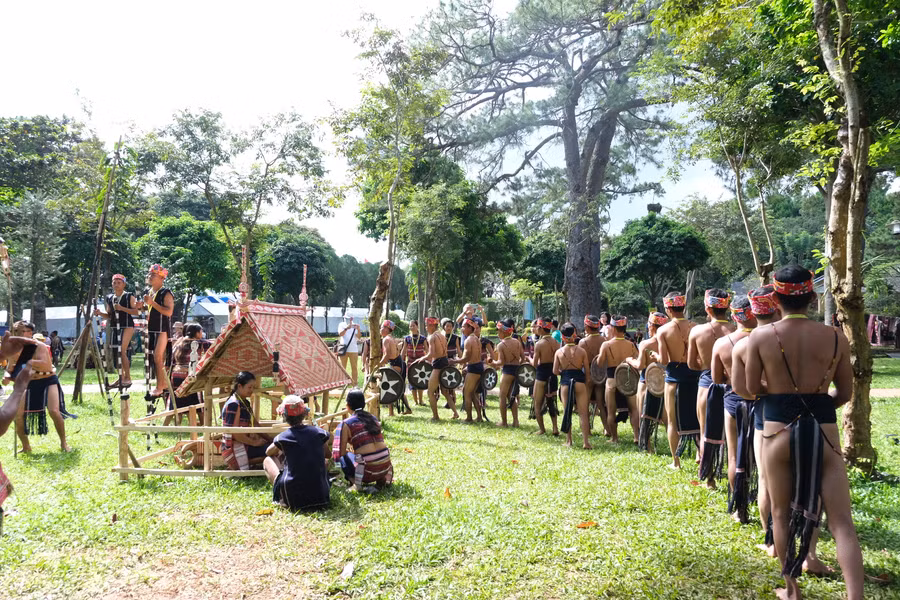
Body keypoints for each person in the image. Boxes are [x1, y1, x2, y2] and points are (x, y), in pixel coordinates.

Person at [744, 265, 863, 600]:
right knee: (842, 522)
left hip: (776, 430)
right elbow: (844, 393)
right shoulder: (836, 337)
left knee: (780, 514)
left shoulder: (760, 337)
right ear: (812, 297)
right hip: (823, 430)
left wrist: (782, 396)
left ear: (775, 299)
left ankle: (792, 590)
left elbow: (752, 388)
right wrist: (816, 405)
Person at [6, 321, 75, 453]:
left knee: (54, 411)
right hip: (27, 383)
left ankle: (64, 443)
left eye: (25, 332)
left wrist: (28, 361)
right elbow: (10, 368)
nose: (22, 335)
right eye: (18, 332)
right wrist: (7, 376)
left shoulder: (40, 346)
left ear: (30, 333)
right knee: (17, 415)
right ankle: (26, 446)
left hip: (47, 380)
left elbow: (46, 365)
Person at [688, 289, 734, 483]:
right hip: (733, 384)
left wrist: (707, 364)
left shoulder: (697, 331)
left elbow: (691, 364)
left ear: (708, 308)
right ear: (727, 307)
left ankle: (709, 480)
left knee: (705, 431)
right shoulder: (736, 330)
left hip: (707, 383)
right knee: (733, 436)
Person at [264, 396, 332, 511]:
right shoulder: (319, 433)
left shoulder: (283, 437)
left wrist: (284, 450)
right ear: (305, 414)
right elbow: (328, 455)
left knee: (268, 460)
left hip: (293, 500)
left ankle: (279, 495)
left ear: (283, 416)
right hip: (321, 499)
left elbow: (268, 452)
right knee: (324, 462)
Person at [657, 292, 699, 468]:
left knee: (672, 422)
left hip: (674, 379)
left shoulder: (663, 330)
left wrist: (654, 356)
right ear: (683, 306)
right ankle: (700, 454)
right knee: (699, 419)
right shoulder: (696, 327)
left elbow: (663, 360)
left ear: (668, 309)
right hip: (696, 377)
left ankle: (676, 462)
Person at [627, 312, 668, 453]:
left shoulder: (645, 343)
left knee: (643, 415)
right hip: (664, 381)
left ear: (652, 326)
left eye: (649, 324)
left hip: (646, 381)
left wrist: (630, 360)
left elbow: (640, 365)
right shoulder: (669, 343)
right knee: (668, 419)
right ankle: (673, 450)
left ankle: (648, 448)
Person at [339, 389, 393, 491]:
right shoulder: (373, 418)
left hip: (367, 472)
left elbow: (341, 452)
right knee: (377, 454)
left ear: (347, 406)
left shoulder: (346, 423)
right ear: (364, 404)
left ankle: (356, 483)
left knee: (343, 457)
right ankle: (381, 481)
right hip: (385, 467)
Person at [597, 316, 639, 444]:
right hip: (628, 379)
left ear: (614, 328)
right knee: (634, 410)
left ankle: (614, 438)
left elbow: (599, 363)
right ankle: (636, 436)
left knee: (611, 411)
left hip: (612, 380)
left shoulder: (606, 344)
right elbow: (637, 360)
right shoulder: (630, 344)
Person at [94, 274, 140, 388]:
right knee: (117, 352)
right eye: (114, 282)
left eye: (119, 283)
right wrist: (100, 313)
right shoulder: (109, 297)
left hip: (127, 325)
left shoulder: (129, 296)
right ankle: (121, 377)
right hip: (115, 326)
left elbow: (137, 312)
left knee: (121, 350)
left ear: (124, 284)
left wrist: (122, 308)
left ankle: (127, 377)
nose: (116, 285)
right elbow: (109, 315)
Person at [221, 372, 272, 470]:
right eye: (249, 387)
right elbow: (236, 434)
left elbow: (255, 423)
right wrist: (254, 443)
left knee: (274, 447)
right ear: (240, 386)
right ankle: (239, 464)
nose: (252, 390)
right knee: (275, 451)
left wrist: (269, 438)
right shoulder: (234, 404)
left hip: (245, 444)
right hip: (236, 447)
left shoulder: (245, 403)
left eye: (253, 387)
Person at [411, 316, 456, 421]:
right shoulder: (442, 335)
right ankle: (455, 413)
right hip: (444, 362)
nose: (426, 327)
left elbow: (431, 354)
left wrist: (422, 358)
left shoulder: (432, 337)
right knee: (445, 392)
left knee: (430, 392)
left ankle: (435, 416)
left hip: (438, 364)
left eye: (427, 325)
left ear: (432, 325)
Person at [554, 322, 591, 448]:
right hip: (579, 382)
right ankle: (586, 442)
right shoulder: (582, 351)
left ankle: (569, 441)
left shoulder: (559, 352)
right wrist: (585, 382)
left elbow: (555, 371)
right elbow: (587, 372)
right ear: (574, 335)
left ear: (562, 337)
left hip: (565, 382)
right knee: (583, 413)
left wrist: (564, 372)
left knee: (567, 412)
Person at [166, 324, 210, 424]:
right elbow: (213, 347)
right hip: (190, 376)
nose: (202, 334)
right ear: (197, 333)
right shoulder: (201, 343)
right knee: (197, 403)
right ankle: (203, 425)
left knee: (176, 403)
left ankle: (171, 425)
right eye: (201, 331)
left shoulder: (178, 342)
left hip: (176, 376)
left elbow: (171, 361)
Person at [143, 264, 175, 398]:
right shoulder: (149, 292)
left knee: (158, 357)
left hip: (162, 329)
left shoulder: (166, 292)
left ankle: (160, 386)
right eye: (149, 274)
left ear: (162, 278)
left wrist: (152, 303)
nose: (150, 277)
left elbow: (169, 312)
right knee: (154, 358)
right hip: (151, 329)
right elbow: (149, 310)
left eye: (153, 275)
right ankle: (163, 383)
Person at [489, 318, 524, 428]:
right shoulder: (517, 342)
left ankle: (504, 422)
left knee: (502, 396)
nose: (498, 333)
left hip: (507, 371)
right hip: (516, 370)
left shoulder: (501, 345)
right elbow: (523, 358)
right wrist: (517, 365)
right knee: (511, 396)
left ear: (503, 332)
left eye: (499, 331)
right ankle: (516, 421)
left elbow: (501, 362)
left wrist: (492, 363)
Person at [530, 317, 560, 435]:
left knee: (537, 403)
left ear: (541, 328)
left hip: (541, 374)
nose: (536, 329)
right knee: (551, 402)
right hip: (553, 374)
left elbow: (534, 364)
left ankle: (542, 429)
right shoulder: (556, 342)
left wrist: (528, 359)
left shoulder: (539, 344)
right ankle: (555, 428)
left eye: (537, 326)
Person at [452, 317, 485, 423]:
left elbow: (466, 358)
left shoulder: (468, 340)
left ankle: (469, 418)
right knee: (473, 393)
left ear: (470, 328)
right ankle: (479, 417)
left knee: (466, 392)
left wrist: (454, 361)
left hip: (474, 368)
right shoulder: (476, 339)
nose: (462, 329)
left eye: (463, 327)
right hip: (478, 366)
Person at [579, 315, 608, 436]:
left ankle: (587, 431)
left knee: (584, 404)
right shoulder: (604, 341)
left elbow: (580, 361)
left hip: (588, 374)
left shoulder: (583, 342)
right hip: (601, 374)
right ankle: (607, 429)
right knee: (601, 403)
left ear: (587, 327)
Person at [376, 320, 410, 416]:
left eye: (382, 327)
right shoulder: (391, 338)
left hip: (395, 364)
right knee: (396, 388)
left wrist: (378, 364)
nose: (380, 329)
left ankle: (391, 413)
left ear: (387, 329)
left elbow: (386, 355)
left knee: (389, 387)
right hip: (398, 363)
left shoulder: (386, 339)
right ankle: (403, 410)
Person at [402, 320, 428, 406]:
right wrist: (401, 360)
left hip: (420, 362)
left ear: (417, 326)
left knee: (420, 380)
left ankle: (421, 400)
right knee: (411, 380)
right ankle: (415, 401)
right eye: (410, 326)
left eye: (413, 325)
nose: (412, 327)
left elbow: (427, 350)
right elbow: (404, 350)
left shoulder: (423, 338)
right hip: (410, 362)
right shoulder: (407, 338)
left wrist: (428, 360)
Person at [440, 318, 461, 410]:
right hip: (442, 360)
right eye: (447, 326)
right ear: (443, 327)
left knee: (451, 381)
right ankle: (448, 400)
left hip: (452, 361)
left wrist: (461, 360)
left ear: (452, 328)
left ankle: (453, 400)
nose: (448, 328)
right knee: (444, 381)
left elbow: (458, 349)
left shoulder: (455, 337)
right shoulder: (441, 336)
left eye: (450, 326)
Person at [337, 316, 361, 385]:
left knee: (354, 367)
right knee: (342, 367)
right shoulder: (341, 324)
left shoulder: (354, 325)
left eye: (350, 319)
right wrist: (346, 328)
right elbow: (341, 334)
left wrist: (358, 329)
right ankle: (342, 383)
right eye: (347, 318)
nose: (348, 320)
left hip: (353, 350)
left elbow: (359, 337)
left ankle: (354, 384)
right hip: (343, 349)